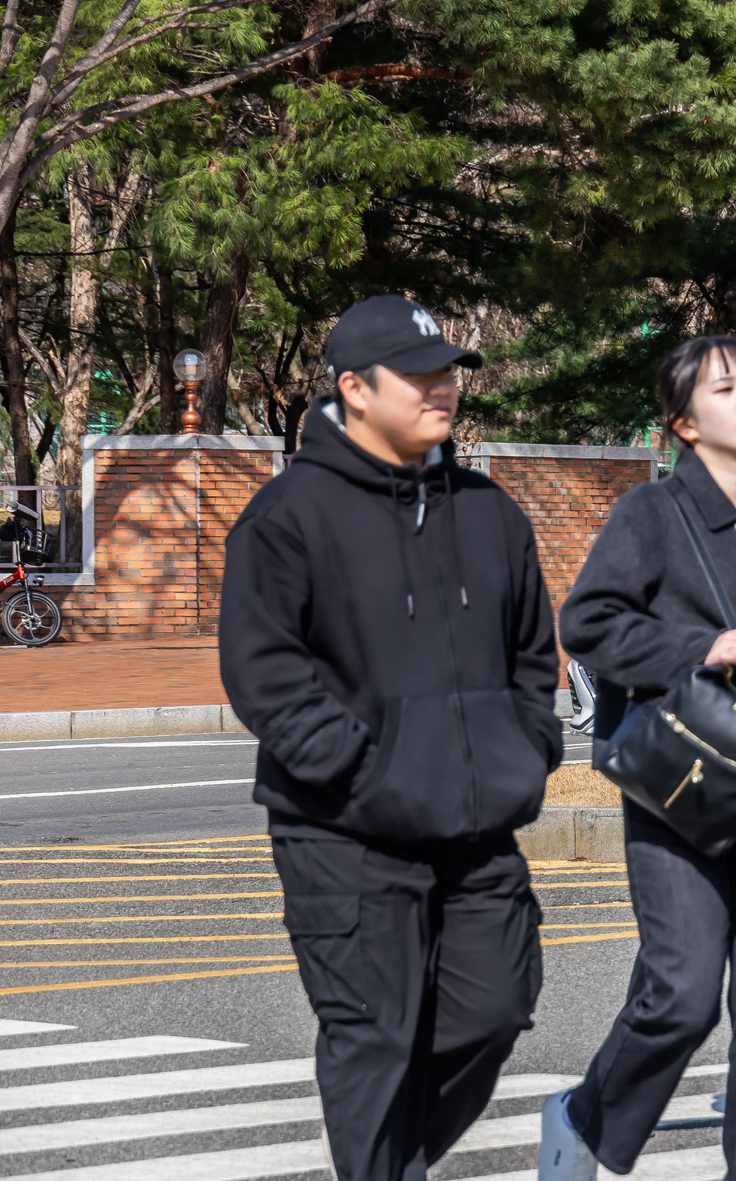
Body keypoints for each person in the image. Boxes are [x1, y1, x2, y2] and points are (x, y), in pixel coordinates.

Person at [219, 296, 561, 1181]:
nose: (443, 388)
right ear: (354, 390)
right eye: (419, 375)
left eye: (448, 371)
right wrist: (363, 769)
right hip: (343, 833)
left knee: (495, 1009)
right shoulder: (288, 516)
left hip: (477, 827)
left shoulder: (490, 513)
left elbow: (532, 657)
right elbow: (265, 674)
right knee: (374, 1038)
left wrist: (524, 751)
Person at [542, 335, 736, 1181]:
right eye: (723, 388)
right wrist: (698, 647)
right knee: (683, 992)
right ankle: (586, 1116)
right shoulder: (652, 515)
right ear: (682, 424)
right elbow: (587, 626)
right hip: (683, 790)